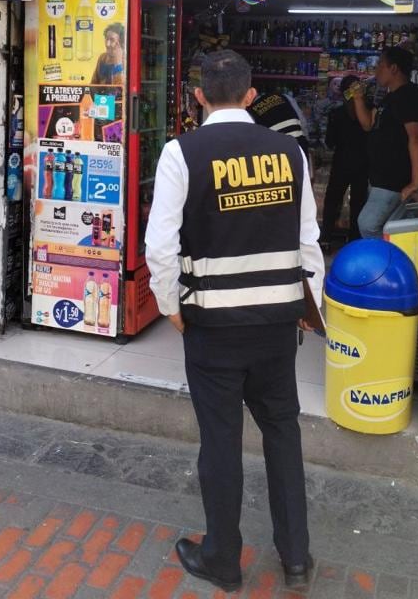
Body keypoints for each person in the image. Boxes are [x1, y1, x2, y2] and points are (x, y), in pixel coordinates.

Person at [145, 50, 324, 593]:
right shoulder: (290, 151)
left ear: (199, 97)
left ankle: (223, 560)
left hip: (213, 331)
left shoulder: (182, 152)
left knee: (220, 441)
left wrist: (170, 307)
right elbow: (309, 244)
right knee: (283, 434)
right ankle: (296, 558)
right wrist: (305, 313)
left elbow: (159, 247)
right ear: (251, 97)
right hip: (276, 328)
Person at [352, 46, 418, 238]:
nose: (376, 71)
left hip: (393, 180)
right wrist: (358, 98)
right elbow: (368, 124)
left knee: (368, 224)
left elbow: (416, 138)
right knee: (386, 227)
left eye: (380, 66)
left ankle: (386, 264)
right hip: (380, 179)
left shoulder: (408, 96)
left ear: (393, 69)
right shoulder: (390, 97)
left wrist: (415, 182)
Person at [321, 75, 369, 246]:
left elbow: (330, 142)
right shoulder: (368, 112)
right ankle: (355, 238)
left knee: (333, 200)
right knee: (358, 202)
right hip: (363, 164)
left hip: (341, 162)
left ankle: (326, 237)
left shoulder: (336, 114)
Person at [248, 90, 310, 157]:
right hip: (299, 148)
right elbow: (303, 123)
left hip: (277, 156)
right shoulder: (285, 97)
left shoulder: (250, 111)